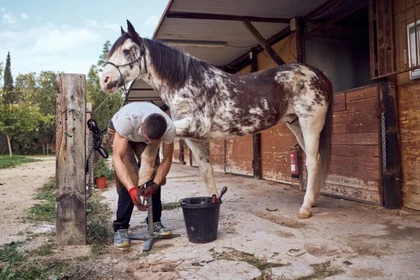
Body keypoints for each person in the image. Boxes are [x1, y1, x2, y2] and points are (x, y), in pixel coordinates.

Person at [107, 102, 176, 248]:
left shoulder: (169, 129)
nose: (149, 142)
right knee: (131, 175)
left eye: (153, 141)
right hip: (121, 131)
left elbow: (167, 159)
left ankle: (154, 221)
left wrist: (155, 184)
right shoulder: (127, 120)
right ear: (143, 124)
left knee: (152, 172)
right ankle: (121, 228)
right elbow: (117, 158)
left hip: (143, 133)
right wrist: (132, 189)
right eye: (148, 139)